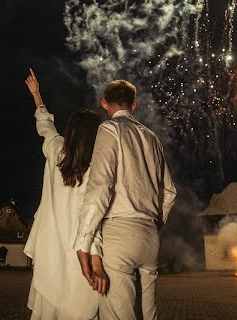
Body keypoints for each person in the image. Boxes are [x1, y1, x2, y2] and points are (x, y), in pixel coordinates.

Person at [75, 79, 177, 320]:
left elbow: (100, 186)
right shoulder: (152, 138)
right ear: (134, 103)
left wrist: (84, 241)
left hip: (119, 233)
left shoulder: (109, 129)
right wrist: (155, 223)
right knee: (148, 314)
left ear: (104, 103)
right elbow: (171, 192)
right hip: (150, 235)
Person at [24, 69, 108, 320]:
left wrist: (37, 94)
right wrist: (97, 261)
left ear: (70, 132)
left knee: (48, 308)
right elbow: (91, 217)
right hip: (78, 254)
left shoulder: (56, 151)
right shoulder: (97, 168)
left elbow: (45, 125)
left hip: (50, 250)